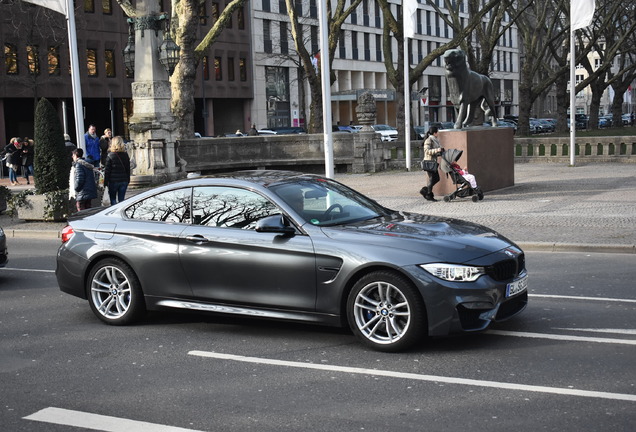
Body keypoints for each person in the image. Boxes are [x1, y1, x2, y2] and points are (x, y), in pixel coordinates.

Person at [103, 135, 131, 205]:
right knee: (122, 200)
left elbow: (107, 170)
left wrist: (105, 182)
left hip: (113, 180)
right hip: (123, 180)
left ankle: (114, 214)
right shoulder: (125, 155)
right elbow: (128, 168)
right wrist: (128, 179)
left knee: (113, 199)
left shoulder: (110, 155)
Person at [420, 126, 444, 202]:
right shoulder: (429, 140)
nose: (438, 133)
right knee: (432, 178)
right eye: (437, 131)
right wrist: (437, 150)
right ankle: (428, 194)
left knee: (436, 178)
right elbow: (427, 151)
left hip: (433, 162)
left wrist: (440, 152)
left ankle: (426, 190)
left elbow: (434, 151)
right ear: (434, 133)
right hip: (429, 162)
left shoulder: (435, 140)